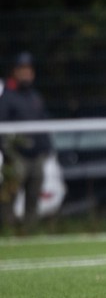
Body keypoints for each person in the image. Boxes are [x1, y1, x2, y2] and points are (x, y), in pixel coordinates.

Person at [0, 52, 53, 234]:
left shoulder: (35, 97)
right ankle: (7, 231)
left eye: (29, 70)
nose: (26, 74)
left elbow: (43, 124)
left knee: (34, 196)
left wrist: (47, 149)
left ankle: (29, 232)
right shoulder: (7, 97)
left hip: (37, 155)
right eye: (22, 70)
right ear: (15, 71)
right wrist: (8, 153)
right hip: (17, 156)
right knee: (9, 196)